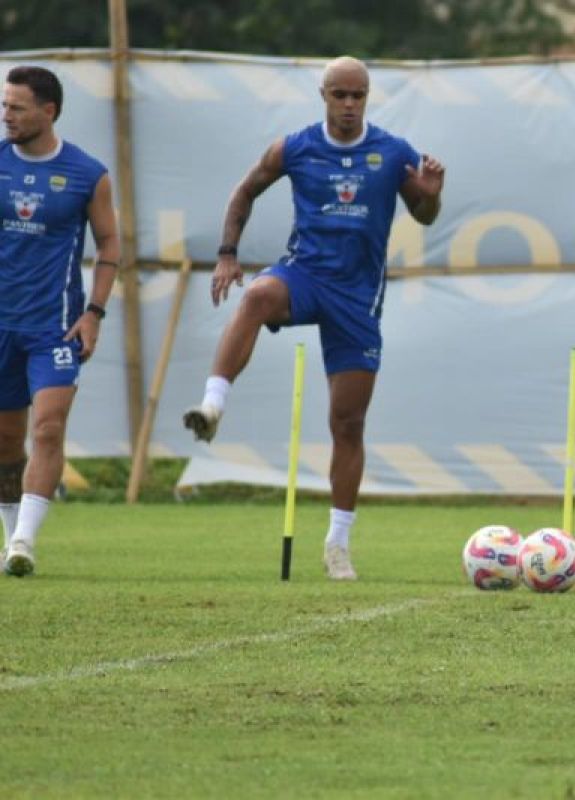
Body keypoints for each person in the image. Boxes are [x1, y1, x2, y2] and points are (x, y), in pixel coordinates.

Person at [183, 56, 445, 581]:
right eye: (339, 95)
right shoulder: (294, 147)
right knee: (256, 296)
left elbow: (423, 213)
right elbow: (245, 190)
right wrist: (228, 253)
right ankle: (213, 406)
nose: (349, 106)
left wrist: (431, 196)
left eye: (358, 96)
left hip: (357, 296)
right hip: (305, 275)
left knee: (347, 423)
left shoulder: (392, 152)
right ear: (322, 94)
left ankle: (337, 544)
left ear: (367, 97)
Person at [0, 66, 119, 577]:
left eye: (17, 107)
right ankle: (11, 539)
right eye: (4, 106)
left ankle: (25, 541)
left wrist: (94, 312)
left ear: (49, 112)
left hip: (55, 330)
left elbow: (110, 243)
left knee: (48, 430)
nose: (7, 115)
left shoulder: (87, 174)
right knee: (6, 444)